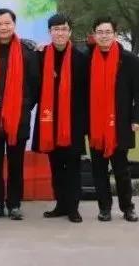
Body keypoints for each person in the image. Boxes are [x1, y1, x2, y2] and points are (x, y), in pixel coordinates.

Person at [0, 8, 40, 221]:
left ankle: (14, 205)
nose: (3, 27)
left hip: (18, 117)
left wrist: (24, 105)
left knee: (16, 164)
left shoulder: (27, 52)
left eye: (7, 23)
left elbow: (35, 85)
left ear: (14, 25)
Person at [31, 14, 88, 223]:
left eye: (64, 29)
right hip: (48, 121)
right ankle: (60, 205)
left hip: (72, 122)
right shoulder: (40, 56)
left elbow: (87, 94)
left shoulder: (81, 58)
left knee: (72, 168)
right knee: (55, 167)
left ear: (70, 32)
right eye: (56, 29)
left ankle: (73, 208)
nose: (60, 33)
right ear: (50, 32)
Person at [88, 16, 139, 223]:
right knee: (99, 170)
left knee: (121, 169)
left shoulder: (129, 59)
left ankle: (127, 207)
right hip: (95, 124)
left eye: (108, 32)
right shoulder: (87, 58)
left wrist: (138, 118)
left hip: (120, 123)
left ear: (115, 34)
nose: (104, 36)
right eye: (100, 32)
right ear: (94, 35)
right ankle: (104, 208)